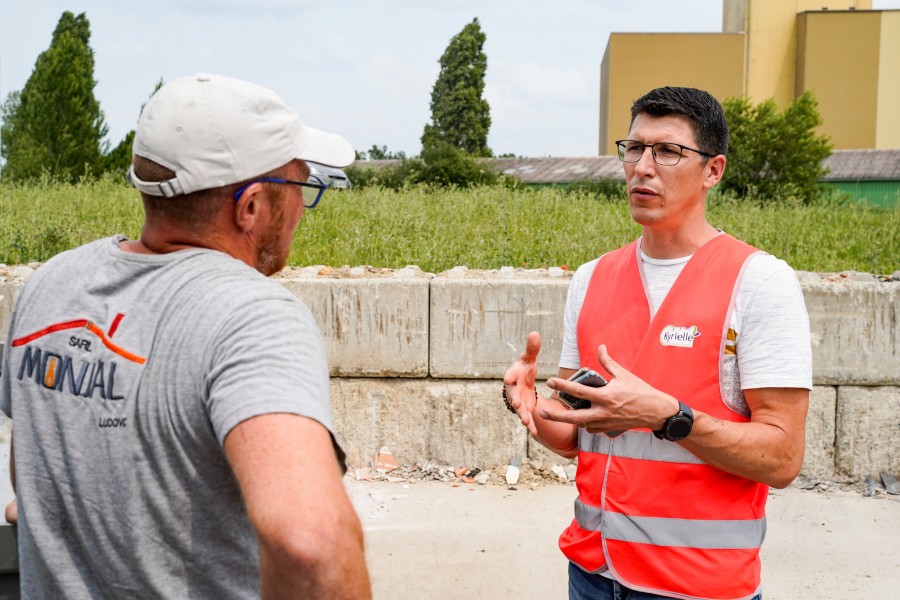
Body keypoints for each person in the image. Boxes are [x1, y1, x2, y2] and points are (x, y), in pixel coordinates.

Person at [0, 73, 371, 599]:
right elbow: (310, 545)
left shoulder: (50, 286)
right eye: (300, 187)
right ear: (250, 206)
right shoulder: (252, 316)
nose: (299, 211)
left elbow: (31, 477)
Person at [503, 86, 811, 600]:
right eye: (634, 148)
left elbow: (782, 459)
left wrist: (668, 417)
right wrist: (532, 407)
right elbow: (575, 437)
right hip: (593, 575)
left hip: (698, 586)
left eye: (668, 152)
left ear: (713, 170)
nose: (643, 167)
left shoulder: (758, 283)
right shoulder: (591, 279)